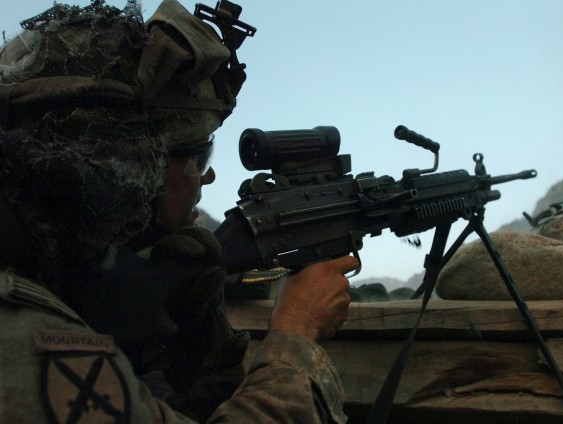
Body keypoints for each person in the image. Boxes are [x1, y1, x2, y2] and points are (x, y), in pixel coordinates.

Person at [0, 1, 357, 423]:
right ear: (128, 167)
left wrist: (195, 330)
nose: (207, 178)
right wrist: (296, 334)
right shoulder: (25, 338)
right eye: (197, 156)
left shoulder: (66, 276)